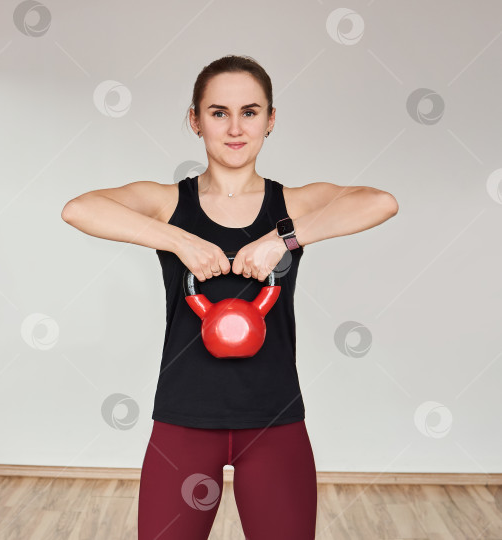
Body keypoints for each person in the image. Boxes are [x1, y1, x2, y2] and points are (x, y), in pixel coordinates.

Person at [61, 54, 398, 540]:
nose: (235, 127)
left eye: (250, 111)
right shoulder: (168, 203)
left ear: (270, 120)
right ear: (195, 120)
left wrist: (284, 239)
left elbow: (380, 201)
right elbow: (79, 209)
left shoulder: (292, 206)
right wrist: (176, 239)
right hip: (184, 418)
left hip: (274, 418)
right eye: (218, 112)